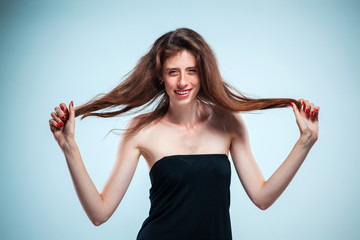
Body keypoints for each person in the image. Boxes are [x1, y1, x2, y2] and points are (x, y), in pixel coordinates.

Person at [49, 28, 319, 240]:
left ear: (203, 74)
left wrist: (304, 142)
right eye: (173, 72)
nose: (182, 82)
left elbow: (262, 197)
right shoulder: (141, 130)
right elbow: (99, 213)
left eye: (192, 71)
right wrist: (69, 147)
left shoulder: (228, 122)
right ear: (160, 77)